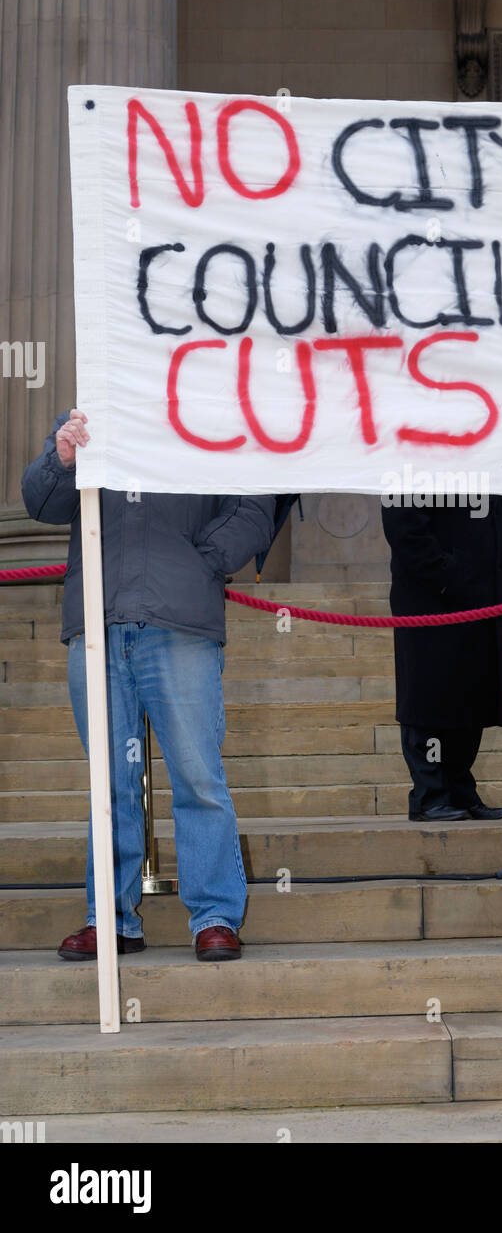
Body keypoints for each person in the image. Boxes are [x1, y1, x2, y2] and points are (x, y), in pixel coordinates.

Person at [21, 408, 276, 961]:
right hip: (98, 620)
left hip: (179, 620)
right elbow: (41, 504)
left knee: (198, 776)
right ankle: (109, 919)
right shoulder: (90, 413)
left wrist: (198, 562)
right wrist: (60, 460)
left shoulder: (216, 412)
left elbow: (255, 507)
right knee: (110, 783)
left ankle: (214, 916)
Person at [380, 494, 502, 822]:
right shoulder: (414, 449)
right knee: (429, 695)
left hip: (484, 595)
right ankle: (429, 794)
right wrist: (445, 572)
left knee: (472, 694)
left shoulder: (484, 450)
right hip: (431, 599)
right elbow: (403, 522)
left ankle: (459, 789)